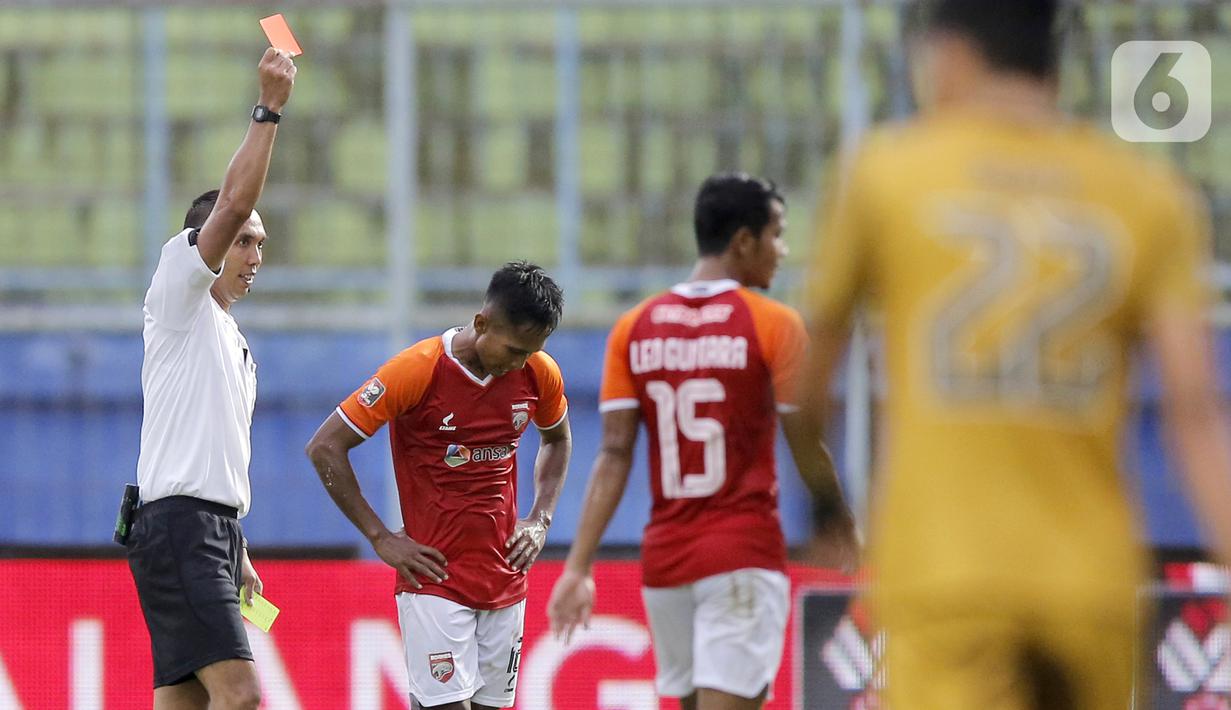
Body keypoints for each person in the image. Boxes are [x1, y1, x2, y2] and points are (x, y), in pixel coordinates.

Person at [798, 1, 1231, 708]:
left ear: (949, 57)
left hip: (945, 572)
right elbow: (1194, 410)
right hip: (1089, 581)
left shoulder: (886, 175)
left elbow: (806, 390)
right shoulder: (1148, 197)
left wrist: (822, 504)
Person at [548, 173, 860, 710]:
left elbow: (614, 453)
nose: (782, 251)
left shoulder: (634, 327)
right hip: (741, 556)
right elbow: (805, 435)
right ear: (744, 242)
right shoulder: (774, 324)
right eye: (777, 235)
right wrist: (835, 515)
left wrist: (579, 565)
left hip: (667, 564)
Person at [305, 261, 572, 710]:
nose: (519, 363)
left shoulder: (538, 372)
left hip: (505, 575)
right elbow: (325, 447)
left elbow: (558, 439)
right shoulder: (417, 370)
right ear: (482, 323)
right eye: (513, 350)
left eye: (530, 352)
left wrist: (540, 518)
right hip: (434, 577)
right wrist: (380, 537)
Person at [125, 48, 296, 710]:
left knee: (187, 703)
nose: (255, 256)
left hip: (207, 530)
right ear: (206, 242)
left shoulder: (230, 340)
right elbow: (231, 203)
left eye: (261, 245)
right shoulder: (178, 294)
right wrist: (270, 109)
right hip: (180, 528)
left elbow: (211, 456)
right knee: (242, 696)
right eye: (246, 242)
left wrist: (237, 546)